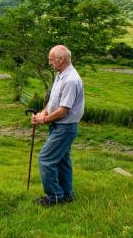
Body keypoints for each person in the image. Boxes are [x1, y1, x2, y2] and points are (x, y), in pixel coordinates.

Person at [31, 45, 84, 206]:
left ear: (61, 59)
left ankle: (54, 197)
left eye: (51, 60)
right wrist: (42, 113)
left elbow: (63, 110)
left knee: (45, 159)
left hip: (64, 127)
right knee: (62, 160)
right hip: (60, 126)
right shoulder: (61, 75)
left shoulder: (71, 80)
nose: (49, 63)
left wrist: (43, 120)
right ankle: (67, 195)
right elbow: (53, 103)